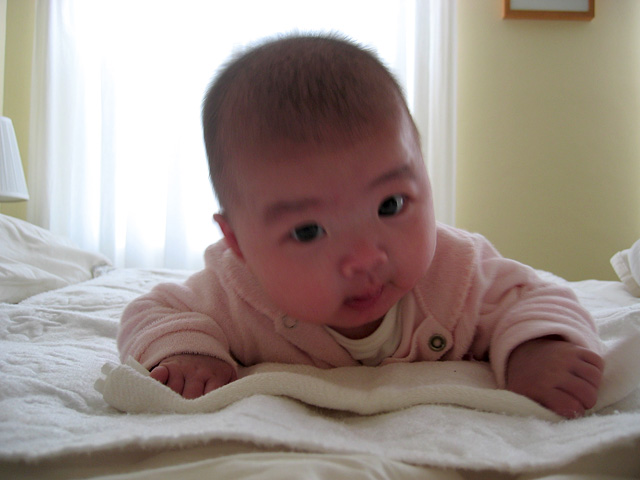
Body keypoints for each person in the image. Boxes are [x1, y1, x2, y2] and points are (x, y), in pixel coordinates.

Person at [118, 34, 604, 418]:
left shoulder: (458, 272)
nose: (367, 259)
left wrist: (537, 347)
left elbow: (537, 297)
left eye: (391, 204)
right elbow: (151, 313)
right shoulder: (234, 292)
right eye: (308, 231)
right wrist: (189, 353)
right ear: (238, 243)